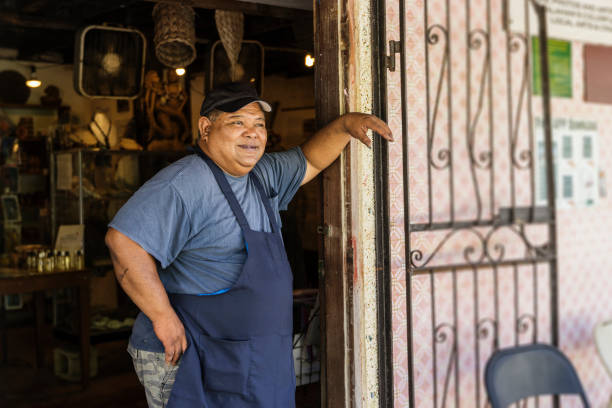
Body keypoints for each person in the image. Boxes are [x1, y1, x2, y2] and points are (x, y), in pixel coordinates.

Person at [105, 82, 393, 408]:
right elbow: (124, 241)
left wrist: (345, 126)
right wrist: (162, 315)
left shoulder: (262, 175)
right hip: (192, 353)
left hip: (250, 357)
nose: (252, 133)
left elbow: (310, 160)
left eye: (259, 125)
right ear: (206, 128)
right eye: (238, 122)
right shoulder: (186, 182)